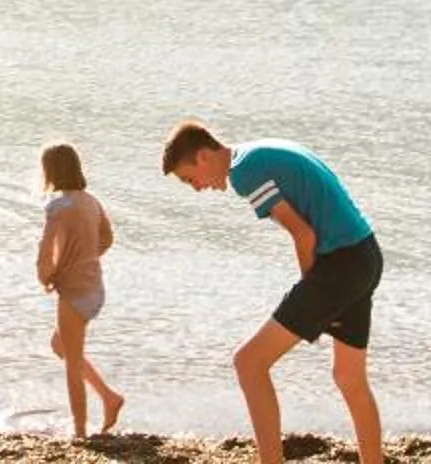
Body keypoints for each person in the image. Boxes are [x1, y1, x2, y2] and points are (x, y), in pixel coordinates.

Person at [162, 122, 382, 464]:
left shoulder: (243, 172)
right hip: (364, 254)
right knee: (349, 377)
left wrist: (310, 291)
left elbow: (304, 235)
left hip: (340, 265)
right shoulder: (255, 152)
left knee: (249, 362)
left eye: (191, 179)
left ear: (203, 156)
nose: (197, 188)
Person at [35, 143, 124, 437]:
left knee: (72, 365)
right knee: (59, 345)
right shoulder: (91, 201)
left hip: (74, 294)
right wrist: (86, 258)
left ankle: (79, 431)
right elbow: (107, 237)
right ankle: (109, 397)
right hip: (95, 289)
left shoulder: (57, 207)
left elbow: (45, 253)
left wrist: (46, 277)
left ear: (50, 172)